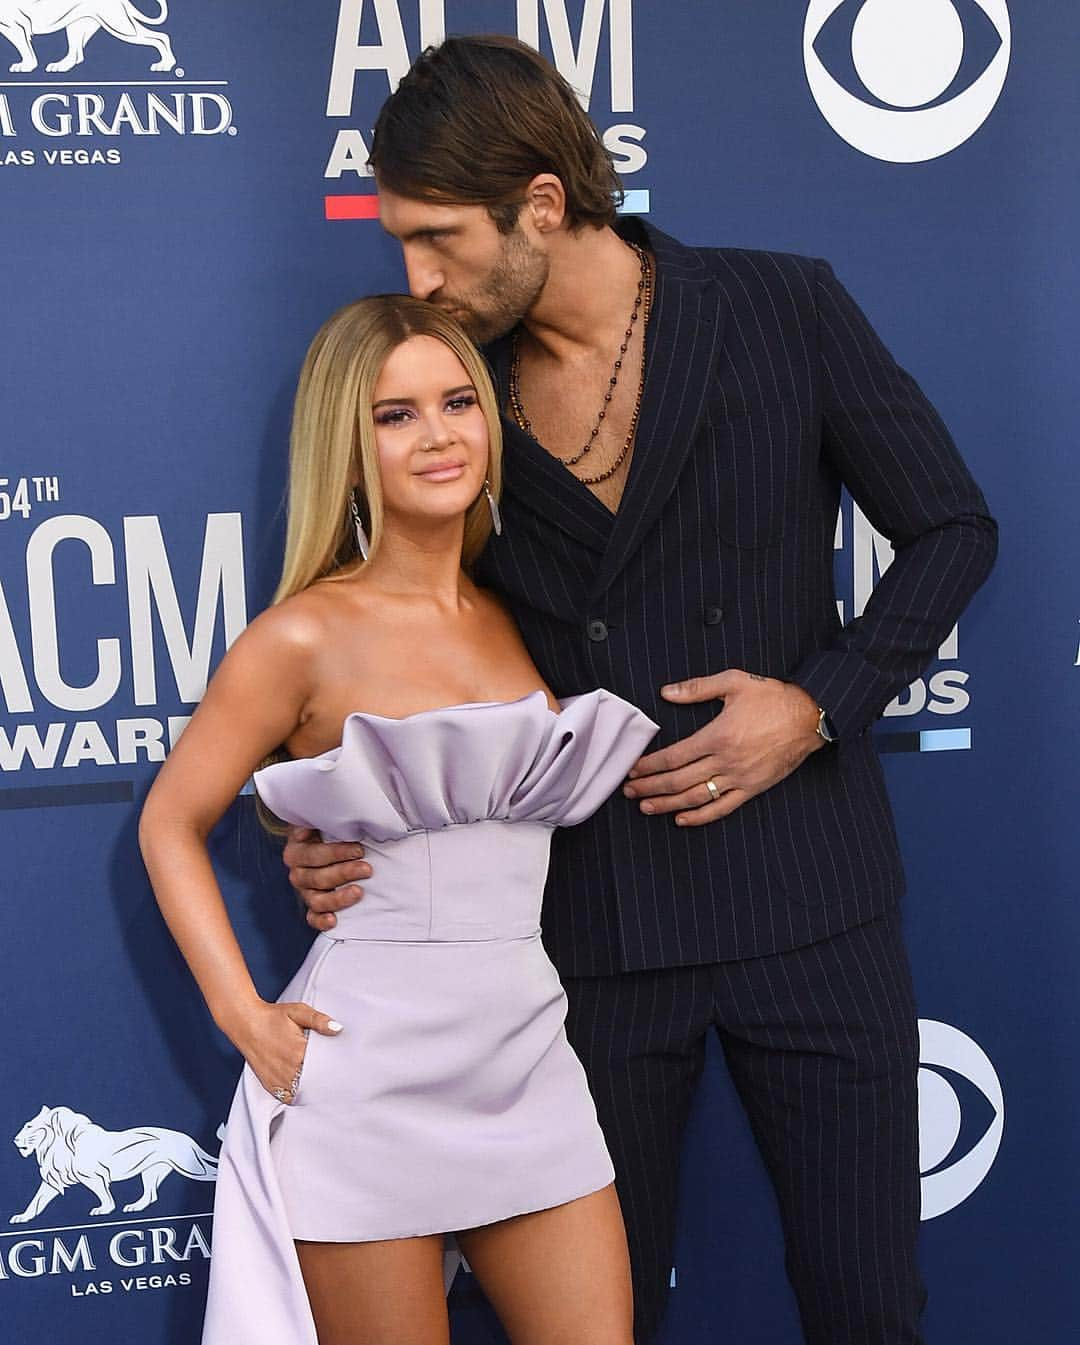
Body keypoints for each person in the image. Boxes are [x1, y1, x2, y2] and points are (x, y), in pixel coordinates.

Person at [284, 34, 1000, 1345]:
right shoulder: (459, 392)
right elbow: (386, 625)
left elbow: (955, 526)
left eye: (438, 238)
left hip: (810, 902)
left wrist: (819, 700)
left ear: (542, 205)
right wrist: (325, 823)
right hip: (584, 937)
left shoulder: (784, 306)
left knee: (867, 1307)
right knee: (592, 1323)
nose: (417, 278)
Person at [138, 293, 659, 1345]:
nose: (440, 435)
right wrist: (246, 1015)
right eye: (396, 414)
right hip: (368, 1080)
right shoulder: (301, 635)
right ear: (349, 443)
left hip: (527, 1062)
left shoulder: (522, 613)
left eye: (459, 400)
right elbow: (169, 822)